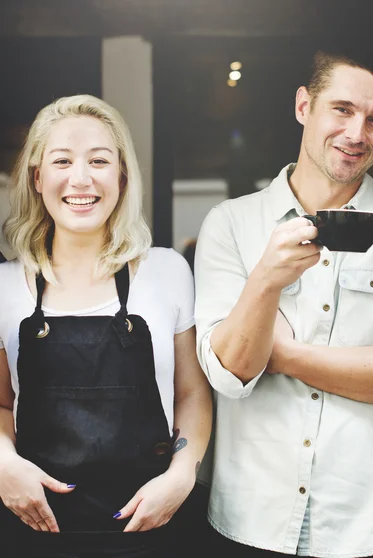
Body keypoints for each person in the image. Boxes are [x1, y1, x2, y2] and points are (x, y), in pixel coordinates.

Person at [194, 46, 373, 557]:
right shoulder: (231, 224)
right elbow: (228, 373)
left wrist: (282, 354)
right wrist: (265, 280)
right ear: (303, 107)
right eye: (343, 109)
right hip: (252, 515)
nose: (358, 134)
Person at [0, 95, 213, 557]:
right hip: (32, 530)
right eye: (62, 161)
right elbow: (0, 402)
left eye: (99, 160)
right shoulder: (4, 285)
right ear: (37, 177)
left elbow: (191, 393)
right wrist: (2, 464)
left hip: (154, 525)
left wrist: (181, 476)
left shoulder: (167, 270)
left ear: (122, 176)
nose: (81, 178)